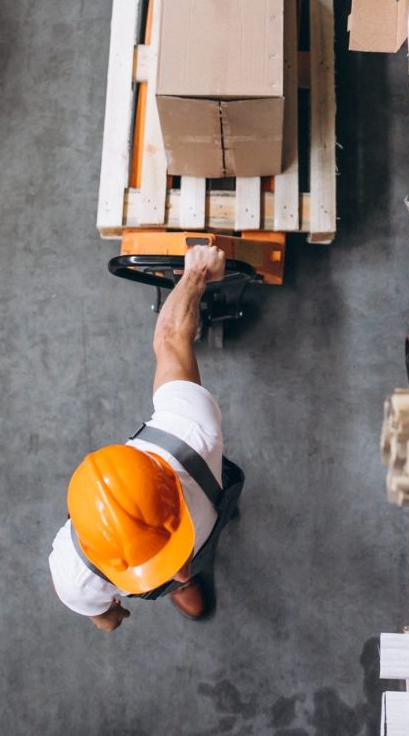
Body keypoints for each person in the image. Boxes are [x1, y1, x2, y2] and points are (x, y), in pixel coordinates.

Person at [48, 244, 244, 631]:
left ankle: (203, 527)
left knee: (200, 544)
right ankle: (169, 587)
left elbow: (172, 338)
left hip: (202, 487)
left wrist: (196, 275)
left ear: (173, 484)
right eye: (160, 565)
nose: (183, 573)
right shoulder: (75, 579)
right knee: (185, 571)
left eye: (172, 556)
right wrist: (111, 614)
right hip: (203, 501)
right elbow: (103, 619)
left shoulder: (190, 434)